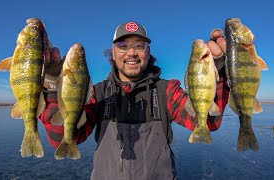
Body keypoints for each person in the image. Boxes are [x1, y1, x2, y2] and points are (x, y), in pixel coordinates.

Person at [39, 21, 229, 180]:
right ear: (113, 53)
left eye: (139, 45)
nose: (131, 53)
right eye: (123, 46)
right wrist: (54, 88)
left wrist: (215, 77)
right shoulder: (97, 93)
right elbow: (65, 138)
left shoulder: (167, 90)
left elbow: (207, 122)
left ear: (148, 52)